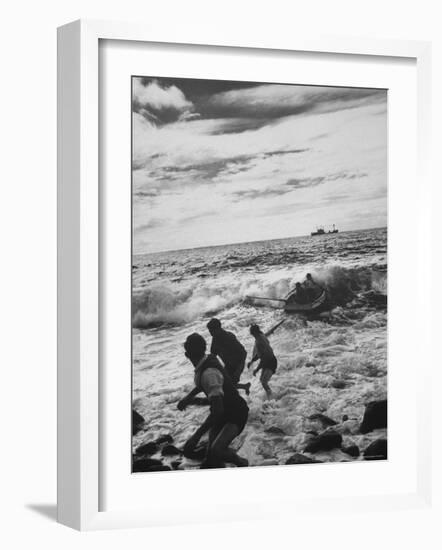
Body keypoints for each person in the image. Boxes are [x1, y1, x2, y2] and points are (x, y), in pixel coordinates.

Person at [179, 333, 249, 468]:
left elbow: (217, 410)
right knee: (211, 460)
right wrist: (188, 398)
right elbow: (202, 384)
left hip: (236, 413)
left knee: (217, 450)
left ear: (187, 355)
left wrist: (197, 435)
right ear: (204, 349)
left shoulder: (209, 373)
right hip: (224, 411)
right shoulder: (208, 360)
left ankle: (243, 463)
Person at [207, 318, 251, 395]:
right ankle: (245, 387)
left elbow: (244, 353)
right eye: (209, 331)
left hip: (238, 365)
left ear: (218, 329)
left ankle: (243, 390)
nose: (210, 334)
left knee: (229, 389)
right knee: (223, 387)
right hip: (228, 366)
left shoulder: (229, 337)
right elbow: (213, 355)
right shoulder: (215, 339)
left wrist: (238, 371)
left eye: (211, 331)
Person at [247, 324, 278, 399]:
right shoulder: (261, 335)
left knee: (264, 382)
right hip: (270, 359)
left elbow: (263, 358)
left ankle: (272, 398)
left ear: (253, 333)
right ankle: (270, 395)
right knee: (262, 381)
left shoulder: (259, 342)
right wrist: (252, 361)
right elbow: (259, 354)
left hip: (270, 362)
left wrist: (256, 369)